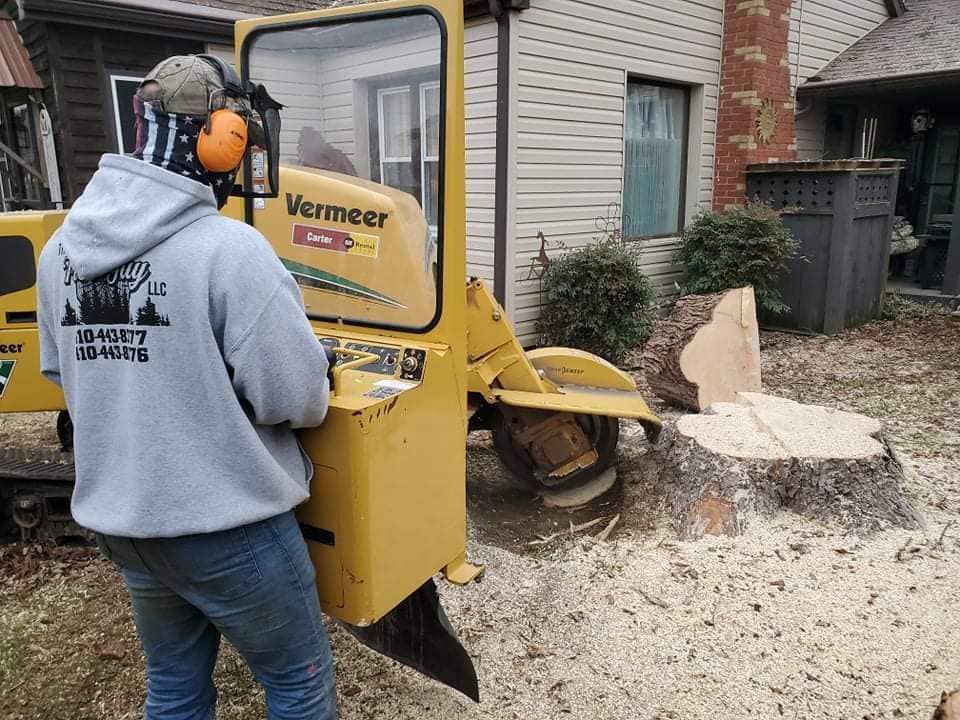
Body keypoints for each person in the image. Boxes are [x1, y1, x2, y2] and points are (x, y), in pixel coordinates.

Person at [36, 55, 337, 720]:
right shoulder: (229, 251)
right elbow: (295, 398)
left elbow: (68, 374)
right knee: (298, 680)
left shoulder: (58, 252)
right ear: (220, 135)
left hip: (128, 521)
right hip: (227, 529)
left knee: (173, 684)